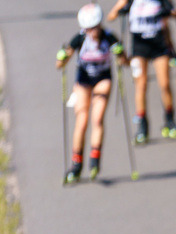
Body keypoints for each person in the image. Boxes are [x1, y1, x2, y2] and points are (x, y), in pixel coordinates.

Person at [106, 0, 176, 143]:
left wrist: (170, 11)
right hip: (139, 48)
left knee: (165, 84)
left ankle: (170, 121)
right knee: (141, 86)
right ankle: (142, 126)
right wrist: (120, 4)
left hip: (159, 46)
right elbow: (111, 17)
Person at [56, 3, 126, 182]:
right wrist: (61, 57)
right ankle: (76, 165)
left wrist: (120, 54)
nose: (91, 32)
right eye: (88, 29)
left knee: (97, 118)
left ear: (100, 25)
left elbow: (124, 61)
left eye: (94, 28)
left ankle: (94, 161)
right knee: (82, 121)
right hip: (84, 81)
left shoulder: (109, 38)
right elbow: (60, 64)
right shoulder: (79, 39)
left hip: (103, 79)